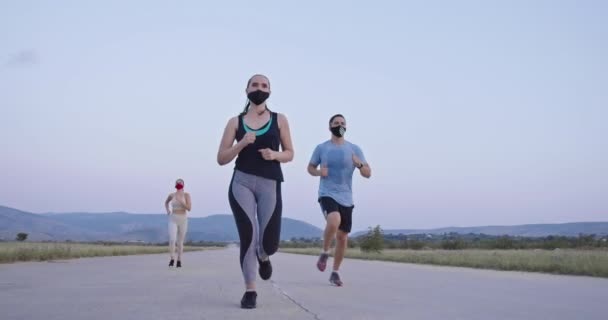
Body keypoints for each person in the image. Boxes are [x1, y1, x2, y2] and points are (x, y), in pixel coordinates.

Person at [217, 74, 294, 309]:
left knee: (268, 243)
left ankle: (264, 255)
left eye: (264, 85)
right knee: (248, 235)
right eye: (255, 85)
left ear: (269, 91)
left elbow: (290, 153)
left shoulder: (279, 119)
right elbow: (221, 158)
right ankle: (250, 290)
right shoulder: (235, 122)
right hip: (241, 182)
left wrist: (275, 155)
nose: (259, 88)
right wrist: (240, 144)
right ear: (246, 89)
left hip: (270, 183)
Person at [307, 114, 371, 286]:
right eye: (336, 123)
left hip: (346, 197)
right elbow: (310, 168)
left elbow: (368, 173)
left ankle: (335, 272)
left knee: (342, 237)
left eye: (342, 123)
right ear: (330, 127)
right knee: (334, 219)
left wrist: (359, 164)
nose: (339, 125)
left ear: (346, 127)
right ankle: (325, 252)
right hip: (327, 192)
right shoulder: (322, 148)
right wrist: (320, 173)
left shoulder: (354, 149)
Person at [164, 178, 192, 268]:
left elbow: (189, 208)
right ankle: (172, 258)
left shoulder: (186, 195)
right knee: (172, 239)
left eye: (180, 183)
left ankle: (179, 260)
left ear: (183, 185)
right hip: (173, 218)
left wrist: (180, 201)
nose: (178, 184)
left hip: (183, 219)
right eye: (177, 183)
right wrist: (168, 210)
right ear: (175, 185)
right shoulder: (172, 195)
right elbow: (166, 202)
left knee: (180, 242)